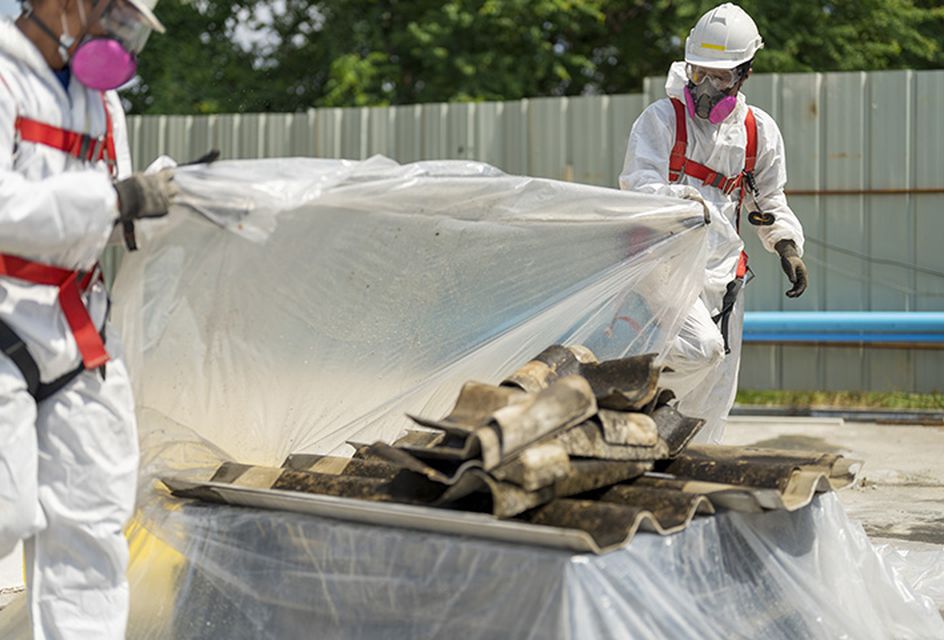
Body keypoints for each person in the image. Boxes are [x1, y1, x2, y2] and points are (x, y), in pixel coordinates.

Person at [0, 0, 176, 636]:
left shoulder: (103, 104)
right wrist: (110, 200)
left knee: (93, 524)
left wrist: (161, 207)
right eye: (111, 15)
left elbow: (111, 213)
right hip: (5, 322)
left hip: (80, 337)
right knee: (6, 512)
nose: (114, 36)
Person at [619, 2, 807, 443]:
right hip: (664, 267)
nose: (705, 87)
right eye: (698, 72)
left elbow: (769, 198)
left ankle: (688, 469)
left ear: (745, 75)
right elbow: (637, 185)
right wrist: (684, 201)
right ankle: (632, 412)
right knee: (700, 350)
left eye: (720, 77)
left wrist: (786, 244)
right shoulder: (663, 119)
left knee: (717, 388)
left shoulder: (757, 131)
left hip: (725, 274)